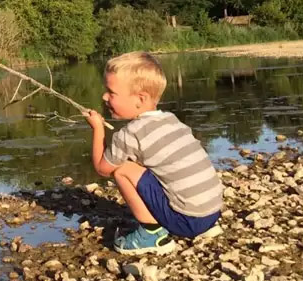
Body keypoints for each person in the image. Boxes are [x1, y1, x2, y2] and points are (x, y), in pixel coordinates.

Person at [85, 51, 222, 255]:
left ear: (140, 99)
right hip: (212, 213)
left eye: (111, 92)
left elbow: (102, 169)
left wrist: (98, 129)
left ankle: (152, 233)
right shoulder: (170, 119)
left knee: (122, 169)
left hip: (187, 221)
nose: (104, 97)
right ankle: (203, 227)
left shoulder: (131, 134)